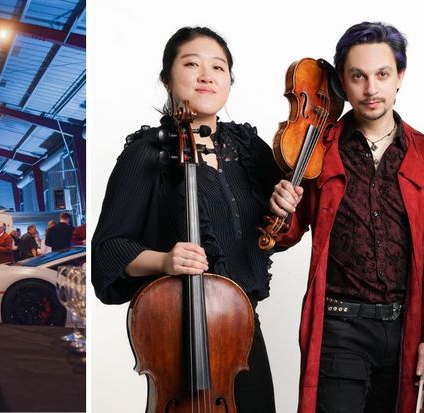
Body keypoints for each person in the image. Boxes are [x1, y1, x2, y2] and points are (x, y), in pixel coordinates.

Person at [92, 26, 285, 413]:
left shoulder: (249, 149)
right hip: (177, 329)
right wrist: (165, 260)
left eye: (218, 67)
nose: (206, 76)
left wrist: (284, 204)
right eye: (192, 64)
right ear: (167, 78)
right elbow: (107, 250)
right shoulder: (147, 153)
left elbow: (279, 231)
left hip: (240, 330)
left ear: (229, 80)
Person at [267, 22, 424, 413]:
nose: (371, 89)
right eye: (358, 76)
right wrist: (281, 207)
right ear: (342, 83)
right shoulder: (318, 147)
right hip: (340, 328)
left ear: (400, 76)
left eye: (382, 75)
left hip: (403, 329)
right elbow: (286, 234)